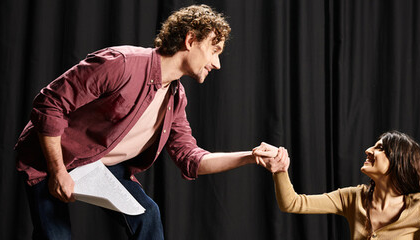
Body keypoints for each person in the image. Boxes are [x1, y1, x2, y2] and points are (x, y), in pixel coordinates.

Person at [14, 5, 279, 240]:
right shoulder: (122, 64)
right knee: (55, 235)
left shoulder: (176, 98)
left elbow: (191, 158)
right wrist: (58, 170)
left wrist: (251, 156)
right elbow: (49, 104)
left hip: (100, 163)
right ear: (190, 40)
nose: (217, 63)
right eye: (214, 50)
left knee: (147, 215)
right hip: (51, 156)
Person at [254, 131, 420, 240]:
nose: (369, 149)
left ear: (398, 162)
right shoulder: (353, 198)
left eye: (380, 148)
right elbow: (292, 203)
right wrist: (280, 170)